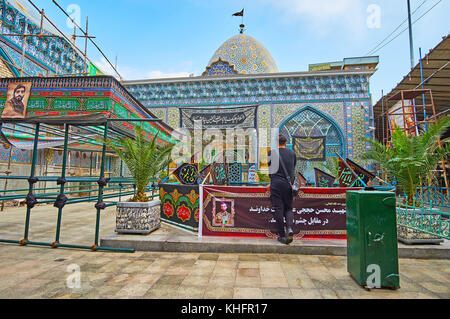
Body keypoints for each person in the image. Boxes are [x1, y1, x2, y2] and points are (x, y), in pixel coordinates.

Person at [268, 134, 297, 245]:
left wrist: (272, 181)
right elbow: (293, 169)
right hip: (288, 185)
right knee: (288, 208)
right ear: (285, 142)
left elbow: (270, 171)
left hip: (276, 184)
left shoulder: (272, 153)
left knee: (278, 209)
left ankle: (281, 235)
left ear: (277, 142)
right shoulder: (292, 153)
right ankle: (289, 229)